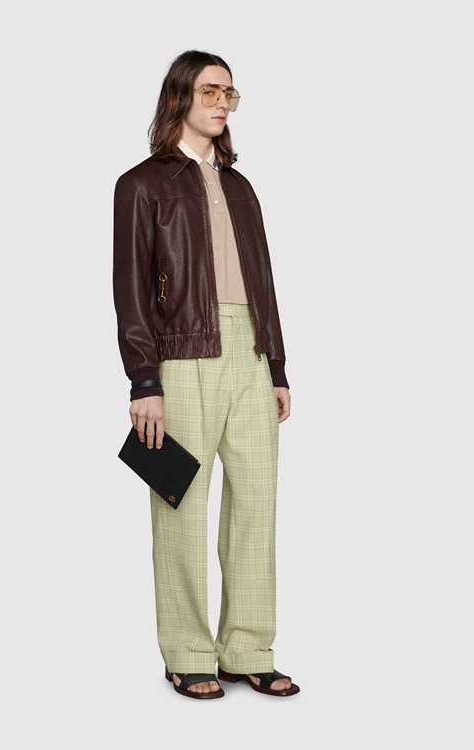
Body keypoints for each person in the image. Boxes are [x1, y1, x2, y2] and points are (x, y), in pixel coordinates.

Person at [112, 50, 299, 699]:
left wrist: (276, 365)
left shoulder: (242, 188)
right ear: (181, 97)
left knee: (256, 505)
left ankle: (247, 647)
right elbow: (131, 290)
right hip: (180, 353)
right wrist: (144, 380)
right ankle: (188, 651)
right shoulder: (141, 184)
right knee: (180, 504)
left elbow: (264, 283)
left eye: (229, 93)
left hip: (250, 352)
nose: (222, 103)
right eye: (210, 91)